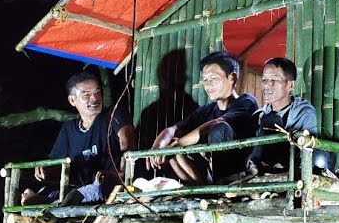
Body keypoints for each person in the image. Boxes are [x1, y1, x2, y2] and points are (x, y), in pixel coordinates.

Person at [23, 71, 136, 205]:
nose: (94, 98)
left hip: (107, 188)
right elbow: (56, 164)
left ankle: (51, 202)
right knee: (50, 191)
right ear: (72, 100)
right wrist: (44, 170)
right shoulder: (68, 129)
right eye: (86, 95)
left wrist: (120, 174)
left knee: (95, 189)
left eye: (97, 92)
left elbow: (127, 144)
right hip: (78, 188)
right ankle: (50, 200)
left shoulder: (114, 114)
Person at [148, 51, 259, 184]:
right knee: (172, 142)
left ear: (232, 78)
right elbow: (173, 129)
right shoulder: (206, 110)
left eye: (214, 78)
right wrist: (157, 147)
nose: (208, 85)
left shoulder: (246, 101)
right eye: (205, 79)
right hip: (210, 175)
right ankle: (200, 190)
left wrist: (179, 143)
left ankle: (223, 187)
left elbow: (219, 122)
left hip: (240, 173)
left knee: (218, 129)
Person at [248, 57, 318, 174]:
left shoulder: (304, 114)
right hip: (260, 171)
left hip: (290, 170)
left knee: (272, 120)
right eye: (264, 79)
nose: (267, 85)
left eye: (274, 80)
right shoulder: (259, 116)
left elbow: (309, 152)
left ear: (289, 85)